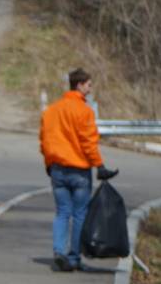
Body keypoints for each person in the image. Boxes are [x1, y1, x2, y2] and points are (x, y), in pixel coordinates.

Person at [39, 68, 117, 272]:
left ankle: (58, 251)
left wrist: (49, 163)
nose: (91, 89)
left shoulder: (51, 111)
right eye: (89, 85)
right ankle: (74, 258)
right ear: (80, 85)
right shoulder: (84, 111)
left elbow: (45, 141)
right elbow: (89, 142)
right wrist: (99, 165)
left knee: (62, 212)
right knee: (79, 214)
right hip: (79, 170)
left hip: (57, 169)